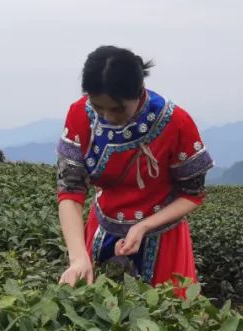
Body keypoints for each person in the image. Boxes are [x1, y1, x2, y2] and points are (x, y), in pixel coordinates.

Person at [56, 46, 213, 294]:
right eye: (98, 107)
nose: (107, 117)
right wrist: (78, 257)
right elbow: (70, 190)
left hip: (163, 239)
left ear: (139, 92)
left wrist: (142, 227)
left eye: (117, 109)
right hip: (102, 227)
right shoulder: (80, 114)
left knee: (163, 317)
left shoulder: (174, 122)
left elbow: (192, 194)